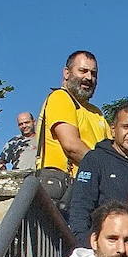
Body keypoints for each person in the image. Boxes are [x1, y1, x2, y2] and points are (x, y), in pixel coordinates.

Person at [36, 50, 111, 208]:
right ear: (66, 73)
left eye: (93, 73)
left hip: (90, 190)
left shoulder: (97, 112)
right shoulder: (60, 97)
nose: (89, 78)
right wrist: (108, 172)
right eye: (83, 71)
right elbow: (71, 146)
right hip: (65, 189)